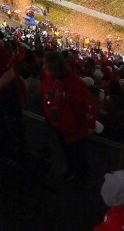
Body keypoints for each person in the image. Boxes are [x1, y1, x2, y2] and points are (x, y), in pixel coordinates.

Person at [41, 51, 98, 185]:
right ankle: (72, 170)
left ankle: (84, 179)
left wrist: (90, 124)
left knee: (78, 153)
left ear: (54, 68)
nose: (43, 68)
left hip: (74, 127)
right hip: (58, 125)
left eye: (46, 67)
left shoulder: (74, 83)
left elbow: (89, 104)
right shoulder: (48, 80)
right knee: (66, 150)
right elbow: (46, 97)